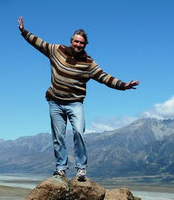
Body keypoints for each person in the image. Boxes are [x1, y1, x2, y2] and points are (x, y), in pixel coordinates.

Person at [17, 16, 139, 181]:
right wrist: (24, 32)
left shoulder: (88, 63)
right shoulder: (56, 50)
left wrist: (123, 85)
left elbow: (105, 77)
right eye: (76, 41)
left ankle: (81, 169)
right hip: (55, 102)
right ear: (71, 41)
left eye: (81, 43)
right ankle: (60, 168)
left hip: (75, 103)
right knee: (58, 137)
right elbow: (39, 43)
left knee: (79, 132)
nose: (78, 45)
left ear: (85, 45)